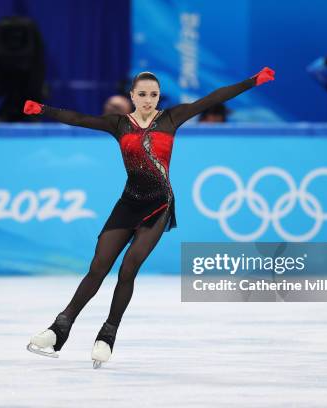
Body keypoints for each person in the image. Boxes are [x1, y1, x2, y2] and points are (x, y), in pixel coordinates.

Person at [22, 67, 275, 368]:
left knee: (128, 270)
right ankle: (59, 328)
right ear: (132, 96)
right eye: (142, 94)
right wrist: (41, 109)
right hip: (128, 203)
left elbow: (212, 98)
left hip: (158, 206)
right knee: (98, 267)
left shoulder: (171, 118)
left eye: (153, 94)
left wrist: (252, 81)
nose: (147, 100)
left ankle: (107, 335)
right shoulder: (119, 124)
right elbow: (78, 119)